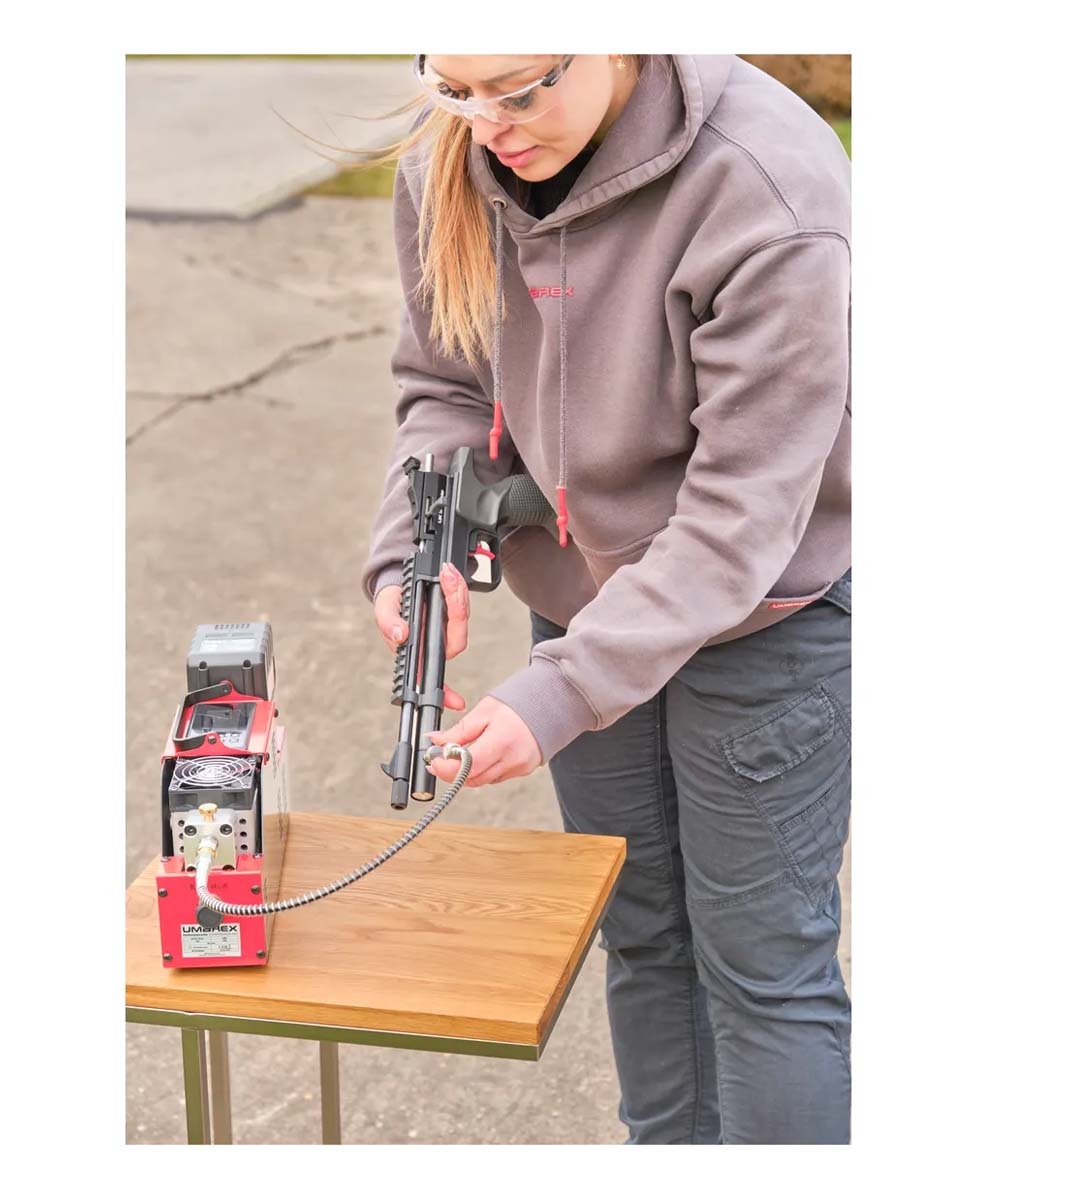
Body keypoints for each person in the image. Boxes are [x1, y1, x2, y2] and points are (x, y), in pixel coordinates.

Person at [358, 54, 852, 1145]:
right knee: (644, 933)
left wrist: (560, 694)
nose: (489, 124)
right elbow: (447, 383)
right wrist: (417, 550)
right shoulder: (451, 160)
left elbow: (740, 518)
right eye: (454, 87)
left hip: (764, 620)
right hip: (581, 606)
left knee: (764, 974)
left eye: (522, 86)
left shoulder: (767, 185)